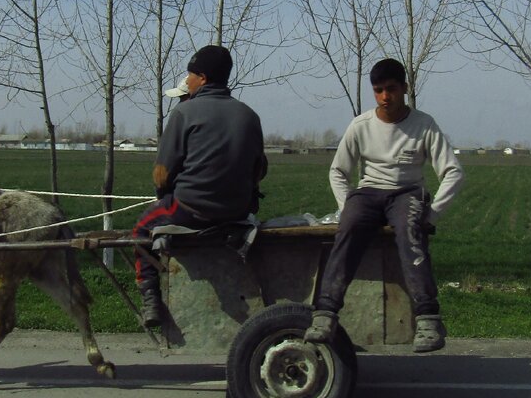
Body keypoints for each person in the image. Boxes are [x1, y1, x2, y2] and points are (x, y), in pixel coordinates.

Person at [305, 58, 464, 352]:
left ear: (404, 88)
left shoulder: (424, 125)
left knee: (409, 231)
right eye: (378, 90)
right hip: (367, 193)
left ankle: (428, 318)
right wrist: (346, 205)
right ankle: (325, 313)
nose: (384, 97)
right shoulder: (360, 126)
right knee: (348, 228)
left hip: (407, 193)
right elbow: (338, 170)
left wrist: (434, 213)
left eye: (391, 89)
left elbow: (452, 171)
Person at [131, 45, 267, 327]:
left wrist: (163, 199)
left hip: (191, 210)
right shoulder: (250, 116)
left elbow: (161, 173)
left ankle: (150, 297)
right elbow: (259, 169)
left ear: (202, 78)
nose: (188, 80)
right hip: (238, 212)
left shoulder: (185, 113)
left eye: (190, 74)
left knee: (140, 229)